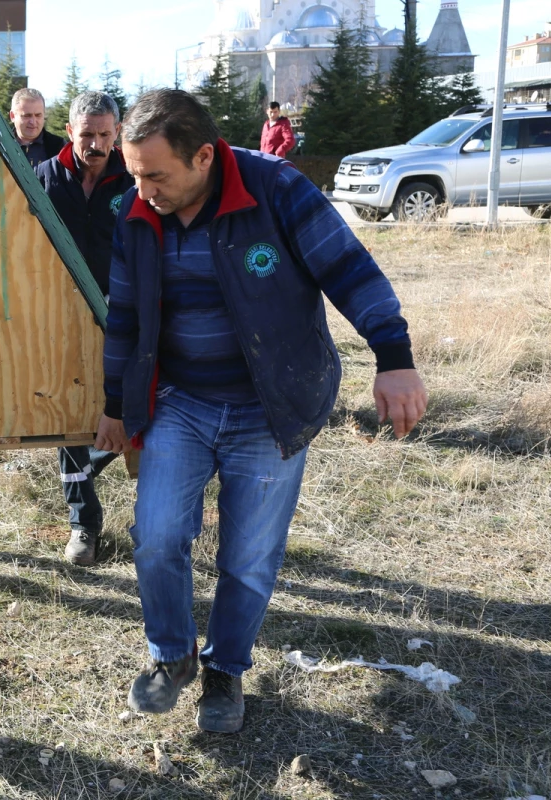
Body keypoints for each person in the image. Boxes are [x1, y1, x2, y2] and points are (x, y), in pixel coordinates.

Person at [97, 89, 426, 734]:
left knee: (248, 558)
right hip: (180, 404)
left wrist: (395, 356)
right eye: (134, 174)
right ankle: (174, 657)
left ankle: (224, 670)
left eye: (156, 175)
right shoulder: (138, 211)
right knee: (158, 537)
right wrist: (116, 405)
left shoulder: (276, 190)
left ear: (203, 156)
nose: (143, 190)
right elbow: (125, 314)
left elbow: (350, 269)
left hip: (269, 408)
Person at [35, 91, 133, 566]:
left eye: (104, 134)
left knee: (133, 408)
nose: (95, 144)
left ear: (117, 133)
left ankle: (91, 472)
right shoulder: (44, 178)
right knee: (72, 416)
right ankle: (83, 525)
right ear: (69, 131)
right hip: (63, 319)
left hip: (126, 315)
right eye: (86, 134)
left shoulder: (132, 178)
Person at [10, 88, 65, 168]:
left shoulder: (59, 147)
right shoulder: (0, 145)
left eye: (38, 115)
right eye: (27, 116)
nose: (33, 121)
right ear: (12, 116)